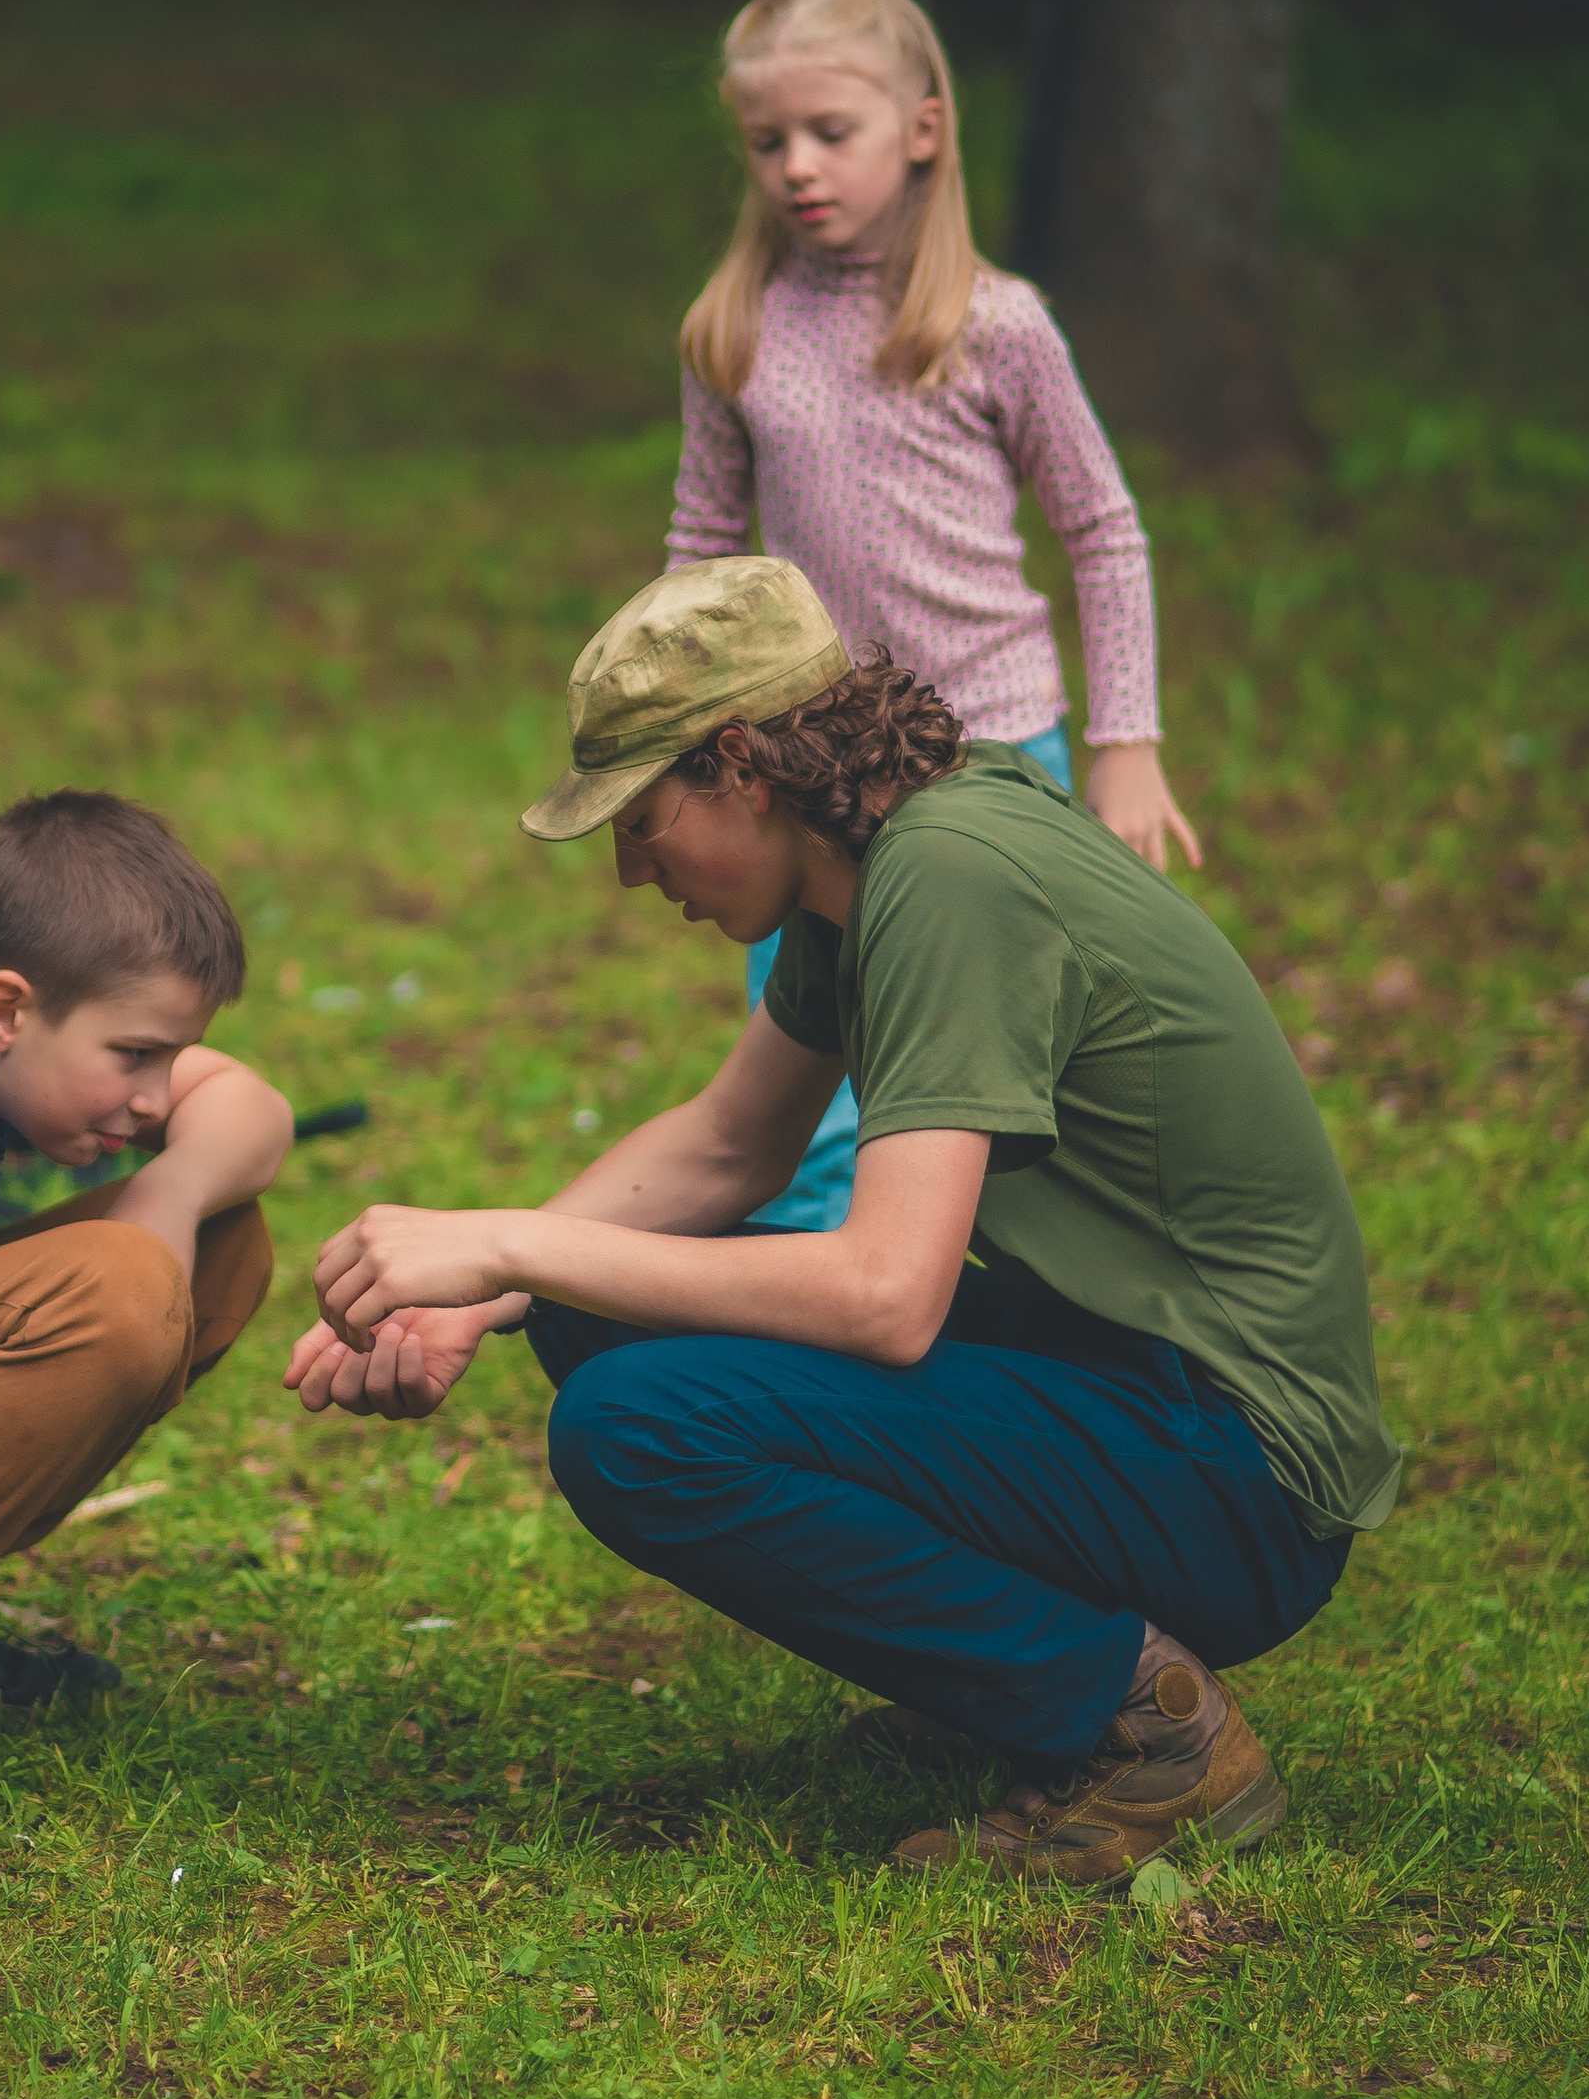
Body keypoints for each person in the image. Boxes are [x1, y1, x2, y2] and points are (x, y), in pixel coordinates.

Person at [284, 559, 1399, 1886]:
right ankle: (1008, 1681)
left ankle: (1143, 1727)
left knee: (633, 1424)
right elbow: (733, 1142)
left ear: (745, 764)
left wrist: (511, 1244)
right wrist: (474, 1293)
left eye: (642, 822)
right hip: (1138, 1392)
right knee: (595, 1302)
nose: (634, 876)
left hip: (1239, 1477)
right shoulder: (877, 853)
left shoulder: (945, 879)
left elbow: (886, 1294)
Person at [666, 0, 1199, 1234]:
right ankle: (804, 1294)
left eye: (828, 133)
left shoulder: (994, 323)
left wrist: (1127, 747)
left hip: (993, 750)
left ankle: (998, 1297)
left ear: (919, 132)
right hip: (802, 772)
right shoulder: (731, 328)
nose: (797, 164)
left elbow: (1102, 530)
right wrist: (684, 756)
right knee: (809, 1070)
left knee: (1001, 1057)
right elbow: (700, 550)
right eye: (766, 140)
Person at [0, 791, 292, 1716]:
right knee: (120, 1283)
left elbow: (255, 1109)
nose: (156, 1096)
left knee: (217, 1238)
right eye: (135, 1054)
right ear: (5, 1009)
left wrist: (167, 1196)